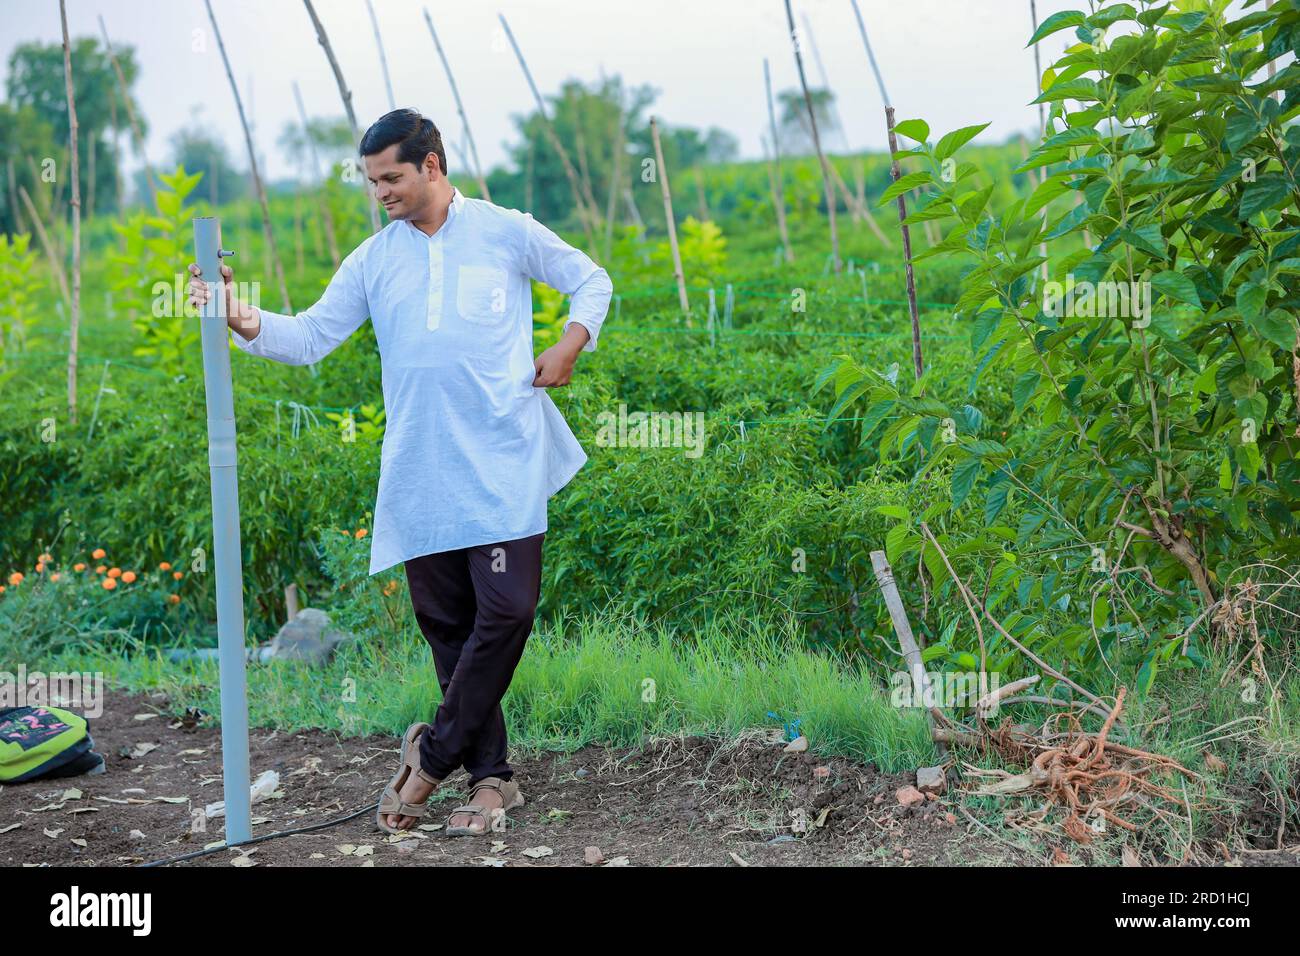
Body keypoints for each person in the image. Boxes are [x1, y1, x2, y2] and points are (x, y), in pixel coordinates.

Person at [186, 108, 612, 835]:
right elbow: (312, 335)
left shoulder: (504, 229)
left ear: (433, 165)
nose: (380, 192)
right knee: (448, 628)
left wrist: (571, 343)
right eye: (371, 180)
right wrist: (240, 315)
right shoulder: (375, 259)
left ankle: (427, 763)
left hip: (503, 457)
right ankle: (490, 781)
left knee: (506, 610)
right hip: (420, 469)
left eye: (392, 177)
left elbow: (589, 279)